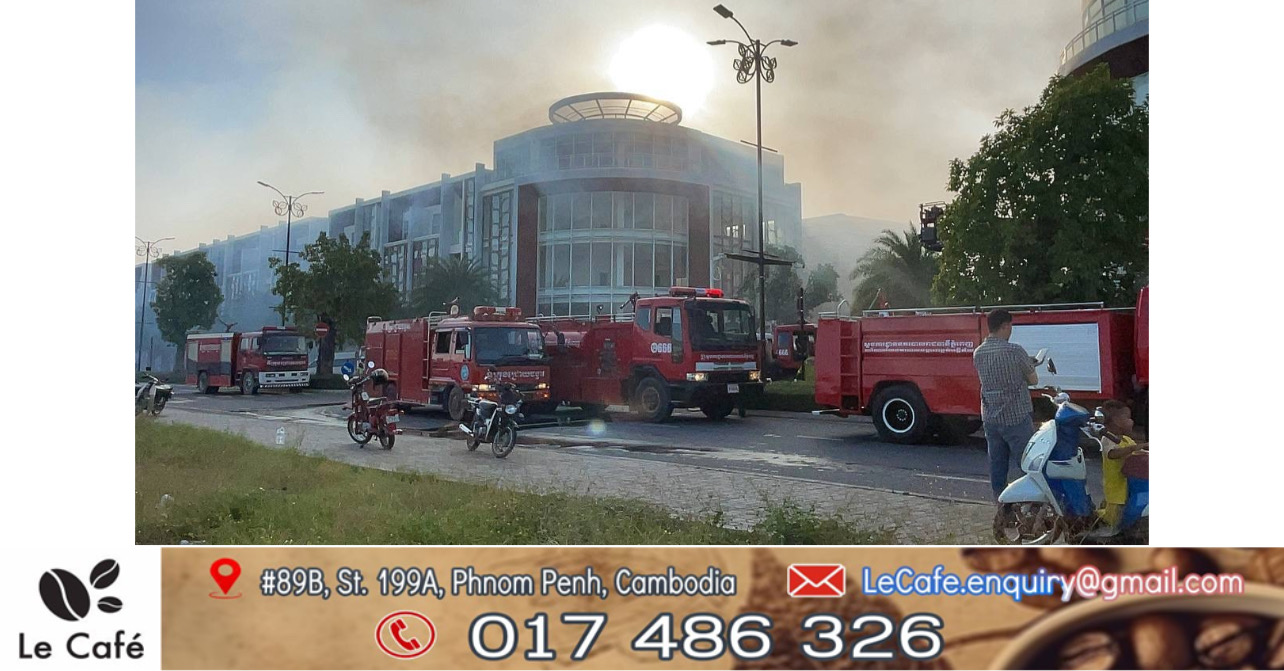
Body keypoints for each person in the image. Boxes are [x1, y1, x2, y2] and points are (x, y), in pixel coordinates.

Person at [973, 309, 1039, 499]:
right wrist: (1029, 365)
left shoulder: (978, 353)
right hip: (1016, 415)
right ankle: (1030, 502)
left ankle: (1001, 503)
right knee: (1026, 462)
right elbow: (1033, 380)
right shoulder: (1015, 350)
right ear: (1005, 326)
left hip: (990, 416)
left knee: (997, 463)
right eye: (1010, 326)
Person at [1097, 399, 1149, 528]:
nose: (1131, 421)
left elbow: (1137, 453)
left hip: (1128, 483)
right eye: (1127, 418)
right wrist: (1133, 448)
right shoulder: (1107, 439)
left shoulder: (1126, 439)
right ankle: (1094, 520)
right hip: (1116, 487)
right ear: (1116, 421)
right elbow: (1112, 454)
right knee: (1114, 520)